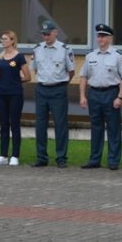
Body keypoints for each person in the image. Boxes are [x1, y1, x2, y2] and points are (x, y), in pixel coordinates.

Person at [78, 24, 122, 170]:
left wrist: (120, 97)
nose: (100, 38)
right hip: (94, 93)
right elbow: (83, 77)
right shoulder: (90, 56)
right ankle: (94, 159)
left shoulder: (118, 56)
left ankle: (113, 160)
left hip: (111, 93)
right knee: (96, 128)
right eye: (98, 36)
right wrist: (82, 96)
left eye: (103, 36)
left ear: (109, 38)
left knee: (113, 128)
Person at [30, 20, 75, 168]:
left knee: (60, 125)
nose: (46, 37)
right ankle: (41, 157)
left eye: (48, 34)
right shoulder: (37, 49)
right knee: (40, 124)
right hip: (42, 89)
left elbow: (71, 71)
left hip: (58, 89)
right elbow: (35, 68)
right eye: (43, 34)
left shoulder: (64, 49)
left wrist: (60, 84)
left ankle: (61, 158)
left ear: (55, 32)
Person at [0, 30, 31, 166]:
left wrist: (17, 81)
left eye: (5, 39)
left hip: (15, 94)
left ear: (12, 40)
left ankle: (15, 155)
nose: (3, 41)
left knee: (14, 124)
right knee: (3, 125)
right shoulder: (0, 56)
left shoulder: (19, 57)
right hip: (1, 94)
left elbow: (27, 76)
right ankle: (3, 155)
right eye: (1, 39)